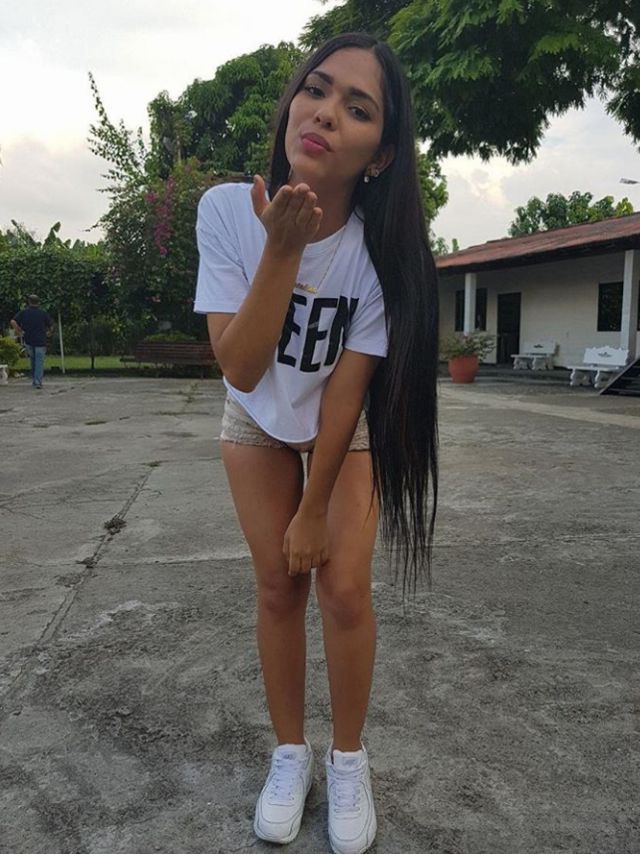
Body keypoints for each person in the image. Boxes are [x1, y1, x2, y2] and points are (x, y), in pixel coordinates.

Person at [194, 32, 439, 854]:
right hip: (255, 413)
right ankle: (290, 753)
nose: (326, 112)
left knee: (344, 590)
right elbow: (240, 365)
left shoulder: (380, 254)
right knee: (277, 586)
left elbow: (347, 391)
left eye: (357, 108)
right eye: (317, 88)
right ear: (293, 102)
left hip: (343, 423)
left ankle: (348, 760)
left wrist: (313, 507)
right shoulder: (225, 210)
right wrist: (283, 248)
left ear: (380, 155)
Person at [10, 294, 54, 389]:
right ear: (38, 302)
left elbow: (13, 321)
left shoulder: (24, 312)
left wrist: (19, 331)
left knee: (33, 361)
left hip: (29, 340)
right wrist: (49, 333)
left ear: (29, 302)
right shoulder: (43, 313)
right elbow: (51, 325)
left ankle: (35, 379)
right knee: (39, 362)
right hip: (41, 340)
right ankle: (37, 381)